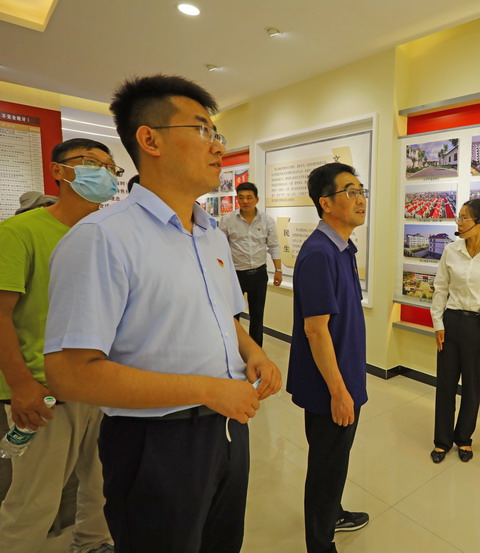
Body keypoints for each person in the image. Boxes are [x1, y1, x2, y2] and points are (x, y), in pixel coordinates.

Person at [43, 75, 281, 553]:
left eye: (217, 133)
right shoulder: (102, 238)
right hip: (156, 442)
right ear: (150, 140)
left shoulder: (211, 235)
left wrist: (254, 352)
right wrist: (207, 389)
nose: (218, 146)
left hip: (228, 427)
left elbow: (224, 316)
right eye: (202, 130)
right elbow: (69, 374)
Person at [0, 138, 120, 553]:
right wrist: (22, 386)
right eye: (91, 163)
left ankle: (93, 543)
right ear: (58, 171)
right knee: (34, 500)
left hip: (101, 384)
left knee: (102, 486)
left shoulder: (107, 235)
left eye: (111, 168)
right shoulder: (19, 232)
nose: (103, 174)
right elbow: (1, 314)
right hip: (44, 392)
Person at [288, 162, 369, 553]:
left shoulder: (342, 248)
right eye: (350, 192)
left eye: (361, 190)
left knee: (335, 459)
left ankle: (332, 512)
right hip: (329, 385)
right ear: (326, 202)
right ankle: (320, 543)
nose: (360, 199)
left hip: (343, 375)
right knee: (326, 464)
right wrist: (338, 391)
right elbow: (315, 331)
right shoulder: (320, 253)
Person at [429, 198, 480, 463]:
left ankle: (464, 438)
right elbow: (440, 289)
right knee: (445, 385)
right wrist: (438, 324)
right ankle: (442, 441)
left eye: (464, 218)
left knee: (473, 387)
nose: (459, 222)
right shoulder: (451, 251)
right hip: (451, 323)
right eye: (459, 217)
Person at [218, 181, 282, 346]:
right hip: (235, 275)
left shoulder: (267, 220)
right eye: (241, 198)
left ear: (256, 199)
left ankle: (256, 351)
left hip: (259, 274)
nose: (245, 201)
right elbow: (220, 248)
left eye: (249, 197)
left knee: (257, 316)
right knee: (233, 315)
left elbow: (274, 246)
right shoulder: (227, 220)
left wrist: (278, 270)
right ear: (237, 199)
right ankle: (234, 350)